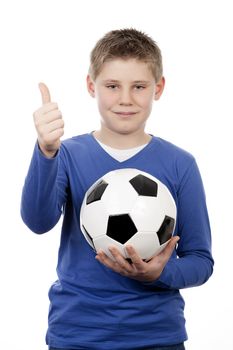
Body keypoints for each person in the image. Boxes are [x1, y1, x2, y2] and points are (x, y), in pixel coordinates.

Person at [21, 28, 214, 350]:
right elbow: (37, 222)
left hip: (157, 336)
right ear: (91, 86)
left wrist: (159, 273)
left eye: (139, 86)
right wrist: (46, 151)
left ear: (158, 88)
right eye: (112, 86)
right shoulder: (67, 154)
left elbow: (201, 261)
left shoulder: (180, 164)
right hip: (77, 334)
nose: (125, 99)